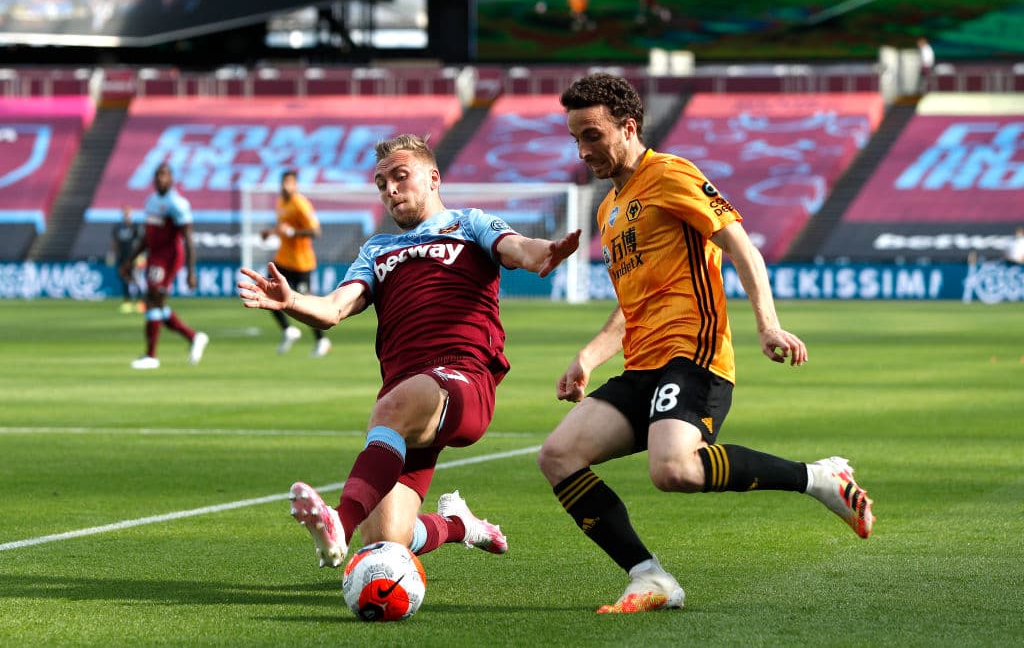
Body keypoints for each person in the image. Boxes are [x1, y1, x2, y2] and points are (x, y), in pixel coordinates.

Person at [538, 73, 874, 614]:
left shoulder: (670, 174)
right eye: (576, 138)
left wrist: (767, 324)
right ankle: (649, 578)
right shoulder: (609, 209)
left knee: (674, 470)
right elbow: (632, 306)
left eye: (593, 135)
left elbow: (741, 246)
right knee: (557, 456)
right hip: (642, 368)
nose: (583, 150)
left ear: (628, 127)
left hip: (693, 355)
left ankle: (818, 478)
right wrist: (587, 357)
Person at [237, 134, 580, 569]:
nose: (390, 190)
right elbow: (333, 309)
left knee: (391, 409)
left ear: (433, 178)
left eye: (400, 177)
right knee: (383, 540)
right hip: (407, 396)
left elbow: (517, 248)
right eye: (382, 184)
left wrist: (544, 253)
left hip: (462, 380)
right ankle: (459, 525)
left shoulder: (468, 223)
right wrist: (292, 302)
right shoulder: (376, 249)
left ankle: (338, 523)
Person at [121, 163, 208, 370]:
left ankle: (151, 356)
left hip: (168, 259)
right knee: (157, 303)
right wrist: (130, 259)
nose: (161, 179)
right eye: (158, 175)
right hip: (153, 256)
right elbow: (146, 236)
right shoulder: (150, 201)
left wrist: (191, 271)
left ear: (172, 179)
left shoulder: (177, 204)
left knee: (152, 301)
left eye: (165, 175)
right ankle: (194, 337)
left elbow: (187, 239)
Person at [260, 169, 331, 357]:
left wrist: (292, 233)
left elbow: (316, 231)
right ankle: (287, 330)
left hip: (301, 262)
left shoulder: (301, 204)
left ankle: (321, 339)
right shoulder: (281, 202)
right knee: (267, 289)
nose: (286, 186)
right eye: (284, 182)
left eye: (290, 182)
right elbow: (283, 226)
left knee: (305, 301)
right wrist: (271, 232)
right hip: (284, 258)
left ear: (296, 184)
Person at [111, 204, 142, 313]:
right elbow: (115, 242)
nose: (126, 215)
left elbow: (140, 242)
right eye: (124, 213)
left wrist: (140, 257)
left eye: (128, 213)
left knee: (136, 279)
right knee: (124, 279)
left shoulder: (135, 226)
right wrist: (112, 255)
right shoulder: (118, 227)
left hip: (132, 257)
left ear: (131, 214)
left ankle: (141, 303)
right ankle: (127, 303)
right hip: (121, 257)